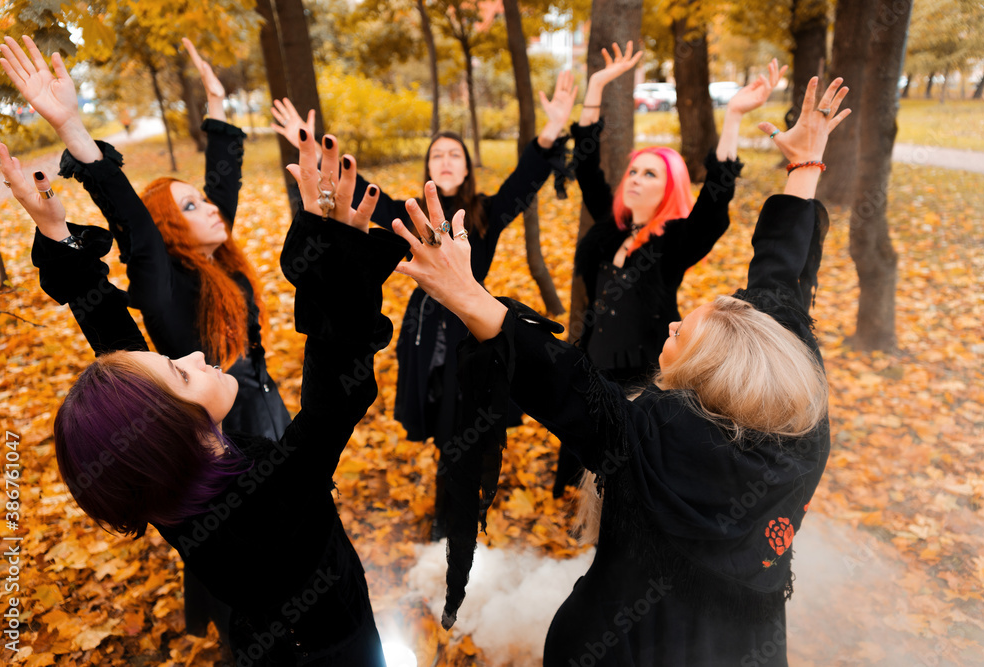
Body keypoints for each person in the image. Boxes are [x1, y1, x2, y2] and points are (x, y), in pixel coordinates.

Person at [392, 76, 849, 666]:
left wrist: (469, 296)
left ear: (711, 372)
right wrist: (804, 166)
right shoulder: (796, 417)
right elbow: (780, 285)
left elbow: (560, 383)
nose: (675, 325)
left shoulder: (648, 446)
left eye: (687, 333)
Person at [0, 119, 408, 664]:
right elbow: (335, 395)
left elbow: (116, 342)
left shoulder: (171, 484)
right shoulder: (269, 504)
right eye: (183, 374)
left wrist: (55, 231)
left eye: (173, 360)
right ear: (168, 429)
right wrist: (332, 243)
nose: (194, 357)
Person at [0, 35, 291, 640]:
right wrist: (75, 133)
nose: (211, 208)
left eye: (205, 201)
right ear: (169, 233)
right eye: (190, 206)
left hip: (268, 409)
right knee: (253, 583)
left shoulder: (221, 263)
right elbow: (135, 228)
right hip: (225, 441)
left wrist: (216, 106)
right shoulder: (167, 296)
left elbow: (223, 185)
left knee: (293, 526)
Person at [270, 76, 577, 540]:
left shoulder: (485, 214)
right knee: (440, 417)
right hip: (425, 332)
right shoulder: (407, 212)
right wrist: (309, 147)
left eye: (456, 154)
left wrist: (551, 132)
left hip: (473, 329)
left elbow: (523, 181)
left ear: (468, 167)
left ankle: (454, 515)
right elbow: (360, 190)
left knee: (466, 422)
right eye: (438, 155)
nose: (447, 160)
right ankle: (449, 497)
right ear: (429, 168)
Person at [554, 44, 786, 496]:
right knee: (582, 461)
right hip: (591, 366)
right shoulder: (610, 227)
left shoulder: (675, 242)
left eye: (650, 174)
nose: (636, 178)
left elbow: (716, 202)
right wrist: (598, 85)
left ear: (670, 187)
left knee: (623, 475)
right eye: (634, 171)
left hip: (642, 376)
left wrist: (734, 116)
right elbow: (585, 162)